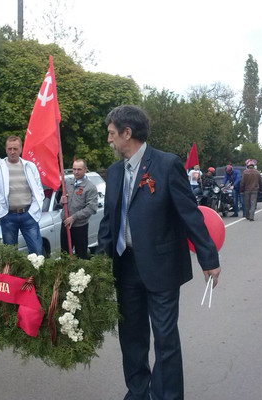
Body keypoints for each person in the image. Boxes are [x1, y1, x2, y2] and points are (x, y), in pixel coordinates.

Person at [97, 105, 220, 400]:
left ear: (128, 133)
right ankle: (138, 392)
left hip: (162, 267)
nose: (109, 140)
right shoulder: (114, 172)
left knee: (165, 339)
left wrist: (209, 258)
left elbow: (190, 214)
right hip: (125, 267)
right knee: (132, 339)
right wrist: (99, 266)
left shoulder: (166, 164)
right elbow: (108, 221)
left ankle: (167, 396)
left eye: (112, 134)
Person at [0, 136, 45, 255]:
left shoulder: (30, 167)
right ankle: (11, 274)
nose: (12, 152)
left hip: (28, 214)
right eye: (9, 149)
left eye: (15, 148)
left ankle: (34, 273)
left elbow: (38, 191)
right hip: (8, 215)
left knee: (37, 251)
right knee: (10, 254)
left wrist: (33, 211)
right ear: (5, 149)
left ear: (21, 149)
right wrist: (1, 212)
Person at [59, 159, 98, 259]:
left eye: (79, 169)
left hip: (80, 227)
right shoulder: (68, 183)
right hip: (65, 225)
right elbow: (62, 203)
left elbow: (91, 208)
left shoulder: (90, 187)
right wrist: (62, 200)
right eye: (74, 169)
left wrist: (74, 217)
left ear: (85, 169)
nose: (76, 172)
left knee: (81, 256)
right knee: (64, 255)